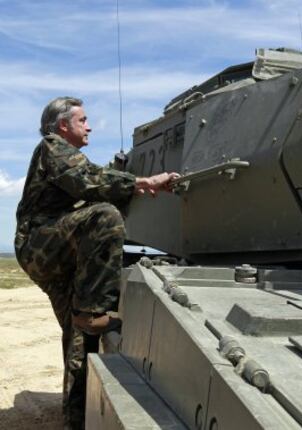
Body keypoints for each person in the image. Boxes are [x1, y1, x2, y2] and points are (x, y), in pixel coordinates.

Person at [14, 96, 179, 429]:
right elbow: (87, 180)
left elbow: (94, 179)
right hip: (39, 244)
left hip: (57, 251)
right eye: (83, 120)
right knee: (104, 217)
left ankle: (76, 419)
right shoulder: (52, 146)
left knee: (80, 339)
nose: (89, 126)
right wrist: (142, 182)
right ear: (63, 125)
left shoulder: (66, 154)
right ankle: (92, 312)